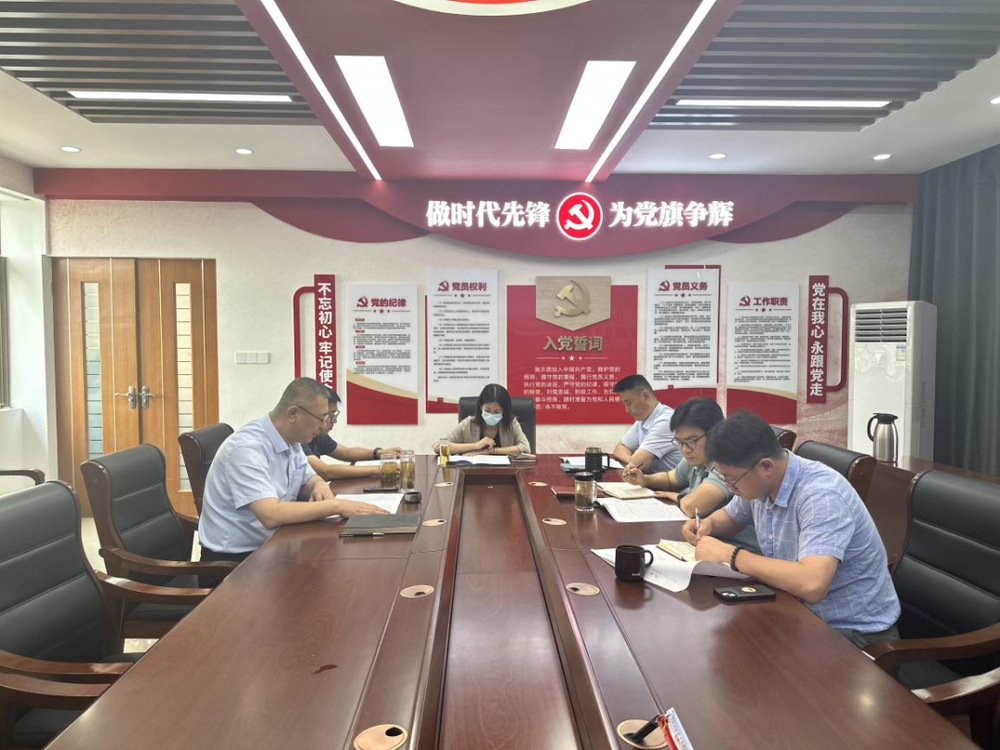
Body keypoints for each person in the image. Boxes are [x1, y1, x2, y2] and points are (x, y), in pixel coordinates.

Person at [682, 410, 900, 648]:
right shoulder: (760, 481)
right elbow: (732, 517)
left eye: (730, 479)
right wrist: (708, 524)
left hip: (852, 634)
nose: (728, 485)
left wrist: (729, 555)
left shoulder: (821, 495)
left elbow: (812, 584)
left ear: (766, 466)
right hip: (794, 610)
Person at [198, 378, 389, 573]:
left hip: (277, 541)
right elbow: (270, 514)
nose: (324, 426)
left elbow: (309, 478)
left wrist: (319, 485)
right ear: (293, 414)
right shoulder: (247, 449)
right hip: (236, 562)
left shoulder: (291, 440)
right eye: (321, 418)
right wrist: (337, 505)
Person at [622, 397, 730, 519]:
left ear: (714, 434)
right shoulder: (696, 457)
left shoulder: (727, 462)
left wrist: (675, 496)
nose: (684, 450)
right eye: (679, 442)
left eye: (691, 441)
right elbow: (670, 479)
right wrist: (644, 479)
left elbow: (693, 507)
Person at [303, 387, 403, 481]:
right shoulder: (300, 439)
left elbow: (346, 453)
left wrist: (378, 453)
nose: (334, 421)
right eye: (331, 415)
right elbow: (325, 472)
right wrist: (379, 469)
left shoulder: (318, 436)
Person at [434, 383, 530, 456]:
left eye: (496, 412)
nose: (491, 415)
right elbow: (438, 446)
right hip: (472, 472)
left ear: (504, 411)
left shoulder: (511, 423)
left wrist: (491, 451)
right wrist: (476, 445)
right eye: (487, 410)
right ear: (481, 407)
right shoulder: (469, 423)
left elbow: (525, 448)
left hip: (506, 472)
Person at [611, 374, 681, 474]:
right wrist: (631, 462)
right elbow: (619, 448)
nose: (627, 410)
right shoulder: (643, 419)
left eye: (629, 403)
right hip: (652, 480)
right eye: (624, 404)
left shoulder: (666, 421)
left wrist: (634, 463)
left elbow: (638, 463)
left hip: (673, 484)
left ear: (646, 396)